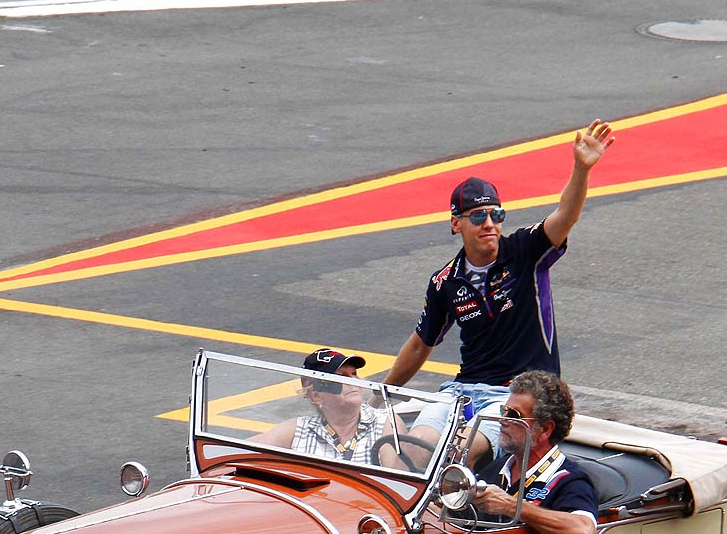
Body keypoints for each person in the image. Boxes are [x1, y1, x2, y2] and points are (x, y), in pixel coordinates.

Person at [384, 118, 615, 468]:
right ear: (455, 224)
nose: (489, 223)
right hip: (462, 391)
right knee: (413, 450)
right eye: (478, 217)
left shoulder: (525, 251)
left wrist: (581, 169)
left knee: (460, 451)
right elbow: (420, 345)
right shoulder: (445, 281)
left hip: (516, 394)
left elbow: (566, 215)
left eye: (496, 214)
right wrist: (381, 396)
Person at [471, 371, 597, 534]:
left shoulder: (569, 480)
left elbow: (583, 533)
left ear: (545, 429)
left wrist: (511, 506)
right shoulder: (497, 469)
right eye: (503, 411)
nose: (502, 420)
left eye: (514, 415)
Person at [250, 348, 418, 468]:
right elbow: (239, 451)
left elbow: (399, 485)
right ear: (316, 396)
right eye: (341, 377)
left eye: (353, 374)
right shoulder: (298, 430)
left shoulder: (386, 424)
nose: (353, 381)